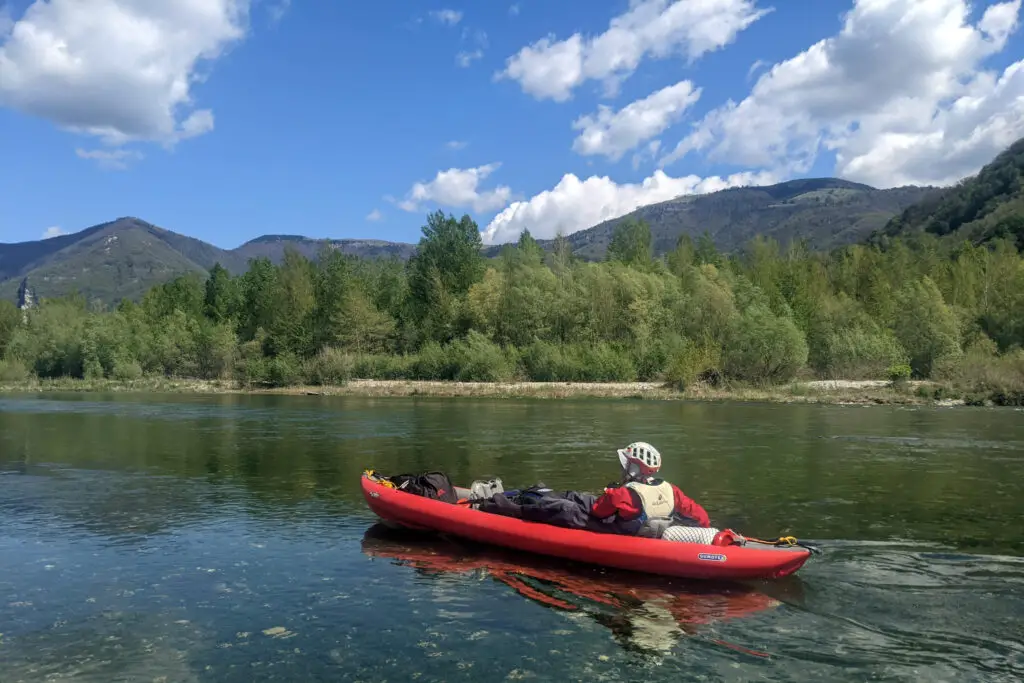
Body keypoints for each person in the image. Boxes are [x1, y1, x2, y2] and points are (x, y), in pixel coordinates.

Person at [590, 441, 710, 536]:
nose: (622, 469)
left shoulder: (623, 494)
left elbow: (597, 512)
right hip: (660, 532)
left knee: (579, 507)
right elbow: (702, 518)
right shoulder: (671, 490)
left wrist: (610, 493)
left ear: (634, 469)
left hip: (632, 536)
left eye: (625, 465)